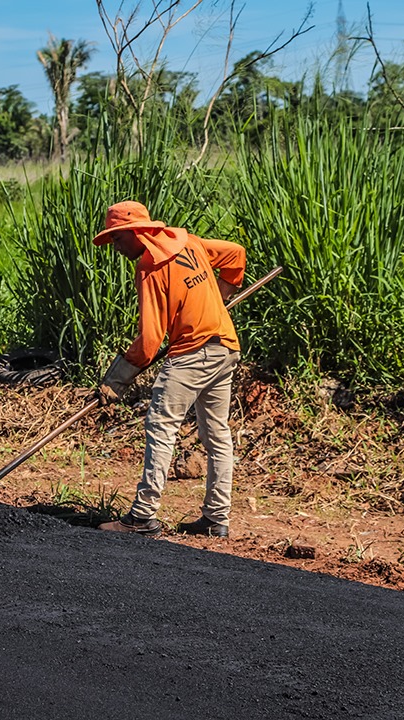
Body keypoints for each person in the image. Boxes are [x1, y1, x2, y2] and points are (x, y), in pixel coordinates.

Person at [92, 200, 245, 538]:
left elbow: (149, 341)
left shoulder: (150, 266)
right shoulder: (188, 241)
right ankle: (216, 519)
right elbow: (235, 254)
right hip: (225, 347)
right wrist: (222, 296)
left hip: (192, 353)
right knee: (217, 434)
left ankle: (143, 516)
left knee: (161, 426)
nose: (115, 248)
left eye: (117, 239)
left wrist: (115, 380)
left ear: (134, 232)